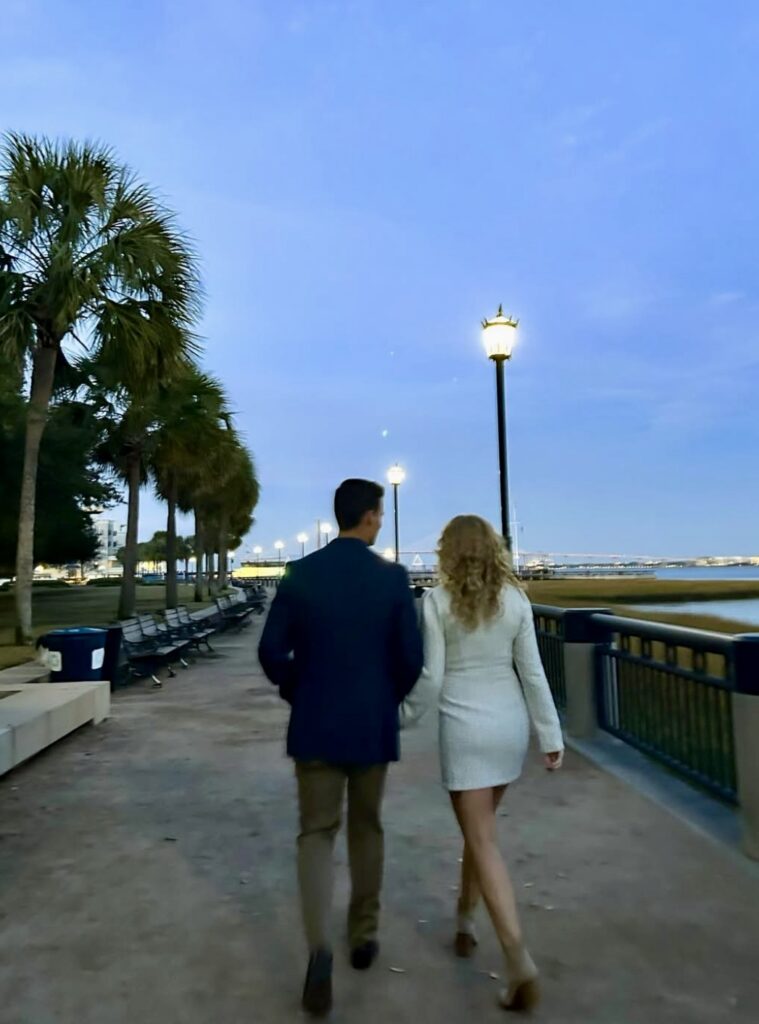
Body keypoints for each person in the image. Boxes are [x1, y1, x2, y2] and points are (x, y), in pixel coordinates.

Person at [258, 479, 424, 1017]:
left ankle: (318, 948)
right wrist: (384, 698)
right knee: (367, 828)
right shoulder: (392, 579)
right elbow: (410, 659)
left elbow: (270, 650)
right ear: (372, 517)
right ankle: (363, 935)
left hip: (315, 726)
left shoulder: (302, 574)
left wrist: (296, 689)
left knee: (315, 835)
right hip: (370, 728)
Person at [401, 515, 564, 1013]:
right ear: (493, 549)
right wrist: (550, 734)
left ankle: (518, 961)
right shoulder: (515, 600)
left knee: (482, 838)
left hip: (466, 730)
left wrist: (401, 717)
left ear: (448, 552)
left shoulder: (437, 602)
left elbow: (431, 678)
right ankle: (465, 920)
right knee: (480, 830)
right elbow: (533, 674)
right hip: (509, 728)